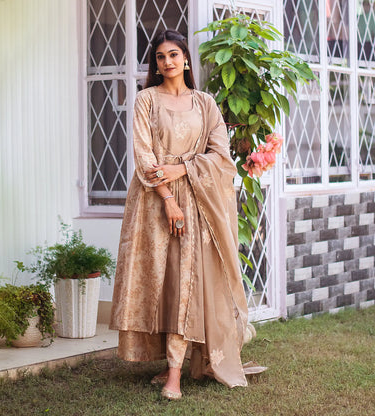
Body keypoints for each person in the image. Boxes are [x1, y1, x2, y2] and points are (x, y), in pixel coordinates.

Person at [109, 29, 264, 400]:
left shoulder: (205, 103)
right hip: (153, 201)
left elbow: (221, 155)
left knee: (185, 282)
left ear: (186, 59)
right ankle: (169, 360)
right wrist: (167, 196)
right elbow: (144, 156)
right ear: (156, 64)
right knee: (161, 282)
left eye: (174, 54)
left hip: (197, 202)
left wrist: (183, 171)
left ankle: (175, 374)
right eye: (161, 57)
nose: (167, 62)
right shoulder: (146, 100)